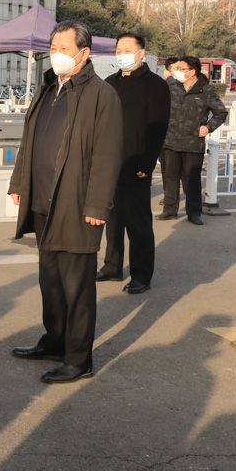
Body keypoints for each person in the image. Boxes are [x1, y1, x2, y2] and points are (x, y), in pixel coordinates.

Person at [8, 21, 122, 384]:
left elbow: (107, 155)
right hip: (44, 200)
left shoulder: (100, 95)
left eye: (62, 47)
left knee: (76, 285)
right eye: (53, 46)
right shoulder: (48, 87)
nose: (55, 52)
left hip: (77, 204)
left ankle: (78, 358)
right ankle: (54, 340)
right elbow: (30, 140)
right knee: (51, 279)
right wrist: (19, 182)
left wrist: (97, 207)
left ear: (83, 53)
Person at [98, 33, 171, 294]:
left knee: (138, 223)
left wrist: (147, 162)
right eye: (119, 49)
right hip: (109, 163)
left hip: (136, 164)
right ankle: (112, 265)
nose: (122, 54)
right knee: (112, 219)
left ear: (141, 53)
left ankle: (141, 274)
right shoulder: (109, 83)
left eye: (128, 49)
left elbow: (158, 128)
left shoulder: (155, 85)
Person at [159, 56, 227, 225]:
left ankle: (194, 212)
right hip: (170, 140)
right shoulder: (172, 87)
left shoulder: (206, 91)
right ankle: (169, 210)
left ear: (192, 72)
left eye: (181, 69)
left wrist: (208, 127)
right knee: (170, 177)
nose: (177, 72)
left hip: (193, 143)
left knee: (192, 180)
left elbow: (221, 113)